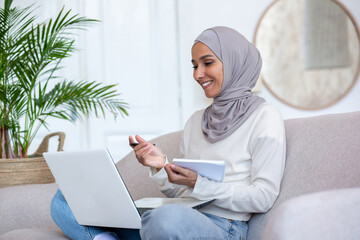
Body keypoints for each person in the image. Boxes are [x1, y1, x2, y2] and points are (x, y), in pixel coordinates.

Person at [51, 26, 286, 240]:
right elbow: (181, 193)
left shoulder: (264, 116)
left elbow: (263, 197)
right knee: (64, 200)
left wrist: (199, 183)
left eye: (207, 63)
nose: (198, 74)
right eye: (194, 66)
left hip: (224, 227)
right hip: (176, 218)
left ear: (234, 61)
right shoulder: (196, 122)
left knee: (164, 218)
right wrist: (160, 165)